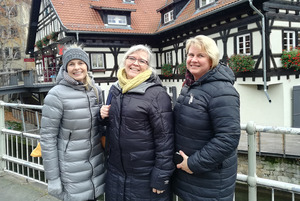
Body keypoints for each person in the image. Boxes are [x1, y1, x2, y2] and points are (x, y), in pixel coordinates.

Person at [100, 44, 175, 201]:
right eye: (132, 58)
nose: (135, 63)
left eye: (142, 61)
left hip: (143, 177)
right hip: (116, 174)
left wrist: (161, 176)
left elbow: (165, 140)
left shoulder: (157, 94)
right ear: (124, 60)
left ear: (148, 67)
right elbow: (110, 127)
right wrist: (102, 115)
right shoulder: (116, 89)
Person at [172, 35, 241, 201]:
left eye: (200, 56)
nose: (193, 60)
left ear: (211, 60)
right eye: (191, 55)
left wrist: (193, 163)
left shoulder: (223, 91)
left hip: (209, 180)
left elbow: (228, 138)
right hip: (190, 178)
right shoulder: (190, 86)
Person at [40, 44, 106, 201]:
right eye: (71, 64)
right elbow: (47, 139)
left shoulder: (95, 91)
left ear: (86, 65)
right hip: (70, 169)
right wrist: (53, 178)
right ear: (65, 68)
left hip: (95, 166)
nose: (77, 68)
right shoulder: (56, 95)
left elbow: (100, 128)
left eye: (81, 63)